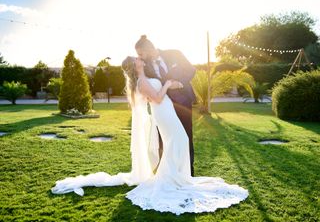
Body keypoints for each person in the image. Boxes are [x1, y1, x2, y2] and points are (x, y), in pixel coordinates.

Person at [51, 56, 249, 215]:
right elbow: (156, 97)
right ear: (134, 66)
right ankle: (171, 178)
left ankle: (178, 176)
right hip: (162, 112)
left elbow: (160, 91)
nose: (140, 59)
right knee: (179, 140)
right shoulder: (142, 81)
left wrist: (171, 84)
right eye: (137, 59)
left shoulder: (146, 77)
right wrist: (166, 86)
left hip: (166, 110)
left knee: (179, 141)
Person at [135, 35, 196, 176]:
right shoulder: (146, 67)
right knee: (165, 140)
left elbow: (191, 70)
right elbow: (145, 85)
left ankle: (188, 173)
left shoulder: (175, 53)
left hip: (183, 103)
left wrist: (179, 82)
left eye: (140, 53)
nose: (140, 57)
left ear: (149, 49)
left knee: (186, 137)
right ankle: (169, 174)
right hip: (164, 108)